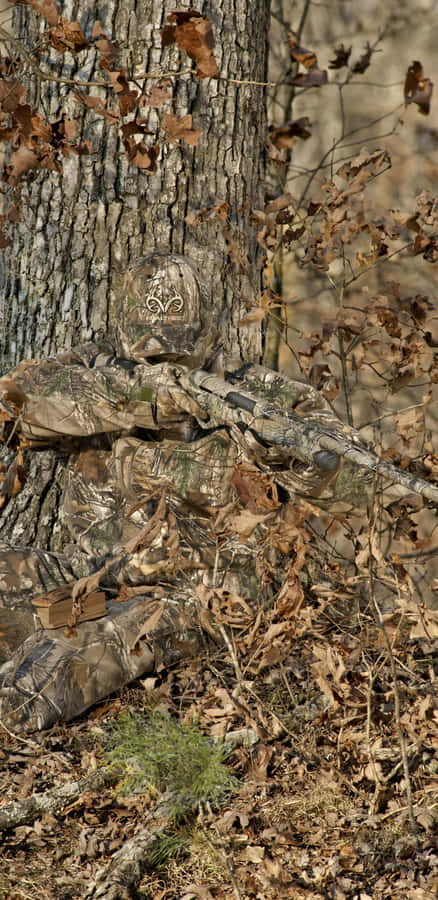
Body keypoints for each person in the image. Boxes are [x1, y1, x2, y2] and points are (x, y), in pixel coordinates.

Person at [0, 253, 367, 732]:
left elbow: (353, 485)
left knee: (44, 676)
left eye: (178, 351)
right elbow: (16, 407)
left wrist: (277, 453)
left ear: (207, 332)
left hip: (196, 598)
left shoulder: (258, 392)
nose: (165, 361)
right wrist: (147, 393)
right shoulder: (91, 369)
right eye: (150, 353)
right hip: (90, 571)